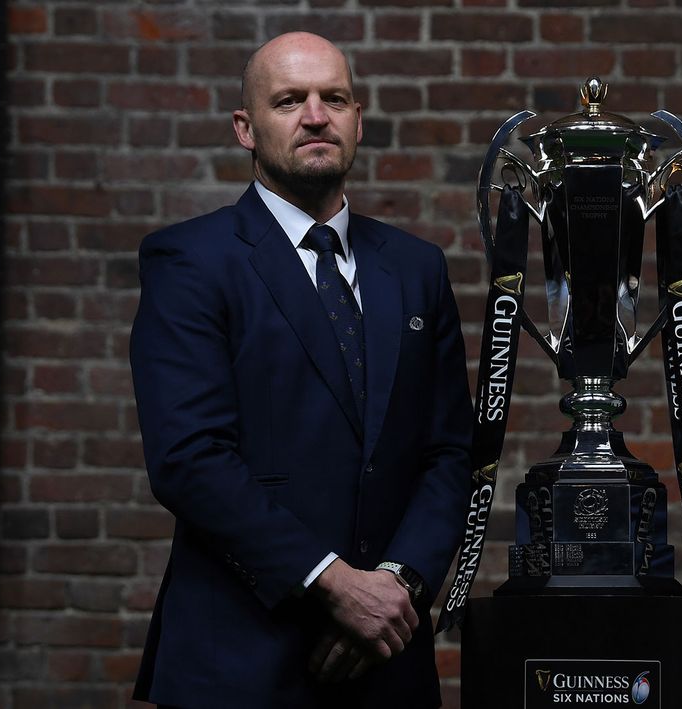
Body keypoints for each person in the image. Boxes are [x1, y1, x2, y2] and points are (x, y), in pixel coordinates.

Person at [129, 32, 472, 709]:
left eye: (334, 98)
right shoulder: (191, 262)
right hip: (241, 660)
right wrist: (335, 584)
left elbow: (449, 452)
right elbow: (190, 457)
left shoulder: (415, 268)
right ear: (245, 128)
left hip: (387, 660)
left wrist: (395, 585)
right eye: (290, 100)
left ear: (357, 119)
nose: (316, 115)